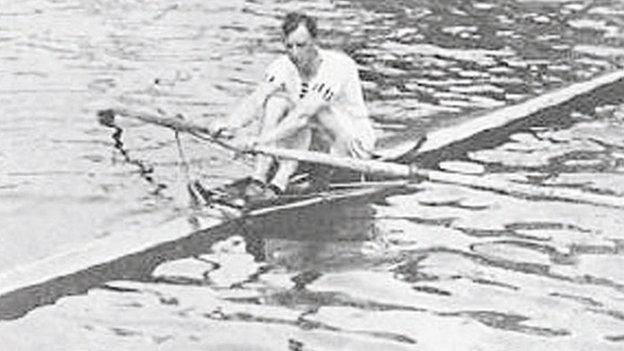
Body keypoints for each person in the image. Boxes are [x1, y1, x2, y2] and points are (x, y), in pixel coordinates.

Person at [212, 11, 376, 201]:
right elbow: (257, 98)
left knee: (311, 110)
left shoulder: (337, 66)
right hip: (314, 143)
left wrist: (259, 141)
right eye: (289, 46)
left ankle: (279, 182)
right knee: (276, 100)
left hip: (351, 146)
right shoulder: (282, 65)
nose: (295, 53)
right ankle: (259, 178)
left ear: (315, 41)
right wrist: (230, 124)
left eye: (301, 45)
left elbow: (303, 115)